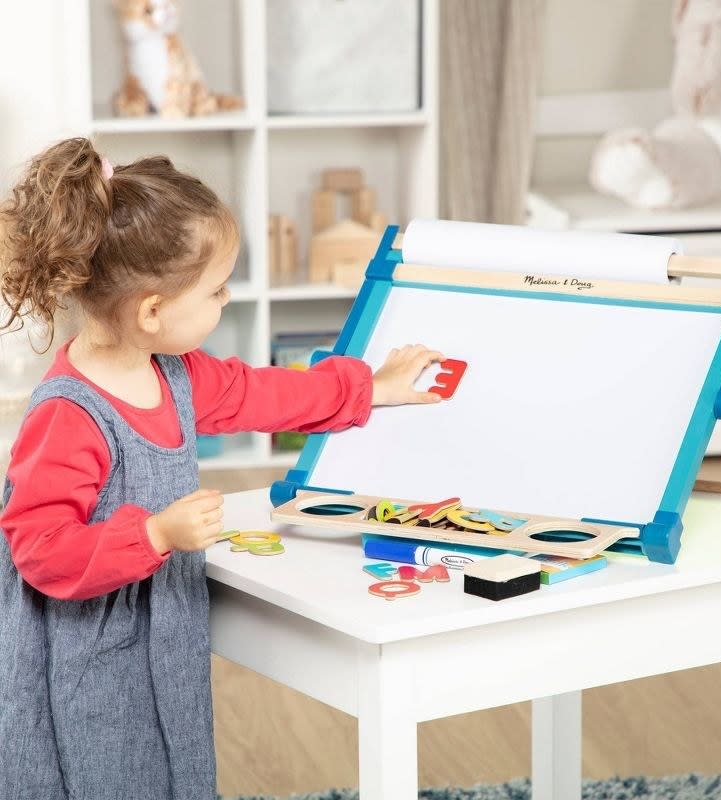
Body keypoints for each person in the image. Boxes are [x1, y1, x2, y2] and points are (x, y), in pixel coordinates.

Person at [0, 137, 443, 800]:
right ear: (152, 310)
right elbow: (39, 549)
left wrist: (372, 387)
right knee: (107, 776)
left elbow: (263, 392)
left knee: (176, 767)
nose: (226, 300)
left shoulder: (172, 374)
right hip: (83, 658)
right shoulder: (68, 415)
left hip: (161, 634)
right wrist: (152, 536)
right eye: (214, 290)